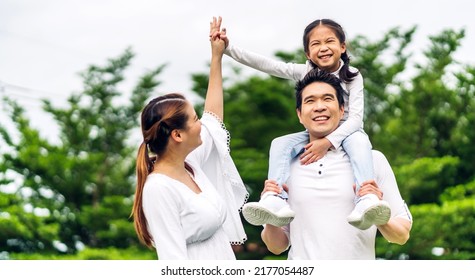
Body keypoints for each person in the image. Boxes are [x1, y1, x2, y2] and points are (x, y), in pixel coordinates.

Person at [218, 19, 389, 230]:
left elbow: (356, 119)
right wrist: (229, 48)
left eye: (329, 41)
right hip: (315, 133)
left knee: (361, 144)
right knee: (280, 143)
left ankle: (366, 199)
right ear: (308, 53)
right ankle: (275, 197)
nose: (323, 48)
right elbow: (269, 65)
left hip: (348, 132)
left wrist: (327, 142)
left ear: (342, 47)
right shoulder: (305, 73)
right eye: (315, 44)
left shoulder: (353, 76)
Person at [261, 69, 412, 259]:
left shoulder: (372, 160)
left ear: (342, 110)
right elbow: (276, 246)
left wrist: (378, 216)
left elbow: (402, 235)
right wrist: (270, 219)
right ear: (299, 114)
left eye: (327, 99)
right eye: (310, 101)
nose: (319, 107)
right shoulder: (285, 166)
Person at [131, 17, 248, 260]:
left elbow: (213, 117)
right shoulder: (158, 190)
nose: (201, 125)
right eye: (195, 120)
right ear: (177, 135)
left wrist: (217, 57)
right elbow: (173, 261)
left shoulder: (191, 164)